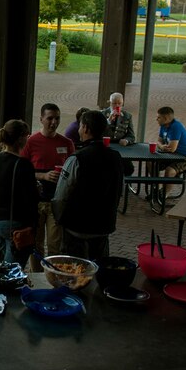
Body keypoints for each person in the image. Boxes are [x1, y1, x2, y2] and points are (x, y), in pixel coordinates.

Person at [52, 111, 124, 260]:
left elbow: (61, 195)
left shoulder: (76, 158)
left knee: (75, 273)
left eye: (80, 126)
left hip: (77, 227)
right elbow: (119, 190)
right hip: (104, 226)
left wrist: (60, 218)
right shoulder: (116, 157)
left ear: (85, 128)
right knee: (100, 271)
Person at [21, 103, 75, 267]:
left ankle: (53, 277)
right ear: (41, 119)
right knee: (36, 245)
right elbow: (22, 171)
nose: (54, 122)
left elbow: (73, 170)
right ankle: (37, 277)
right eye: (49, 118)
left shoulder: (67, 143)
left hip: (56, 202)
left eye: (57, 118)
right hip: (36, 202)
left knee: (54, 245)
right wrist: (43, 175)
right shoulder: (31, 142)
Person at [0, 119, 38, 264]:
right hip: (13, 225)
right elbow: (30, 198)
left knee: (4, 264)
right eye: (27, 136)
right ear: (20, 138)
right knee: (12, 270)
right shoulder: (23, 164)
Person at [155, 106, 186, 178]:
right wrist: (161, 146)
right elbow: (158, 141)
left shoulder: (176, 126)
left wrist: (161, 146)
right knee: (152, 163)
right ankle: (156, 186)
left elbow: (171, 149)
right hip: (176, 155)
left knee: (170, 171)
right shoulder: (163, 126)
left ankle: (164, 189)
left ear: (166, 119)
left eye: (159, 117)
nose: (156, 119)